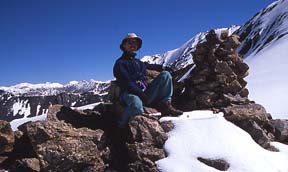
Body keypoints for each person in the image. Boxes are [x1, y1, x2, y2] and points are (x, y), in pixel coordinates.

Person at [113, 33, 183, 127]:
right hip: (130, 93)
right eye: (130, 42)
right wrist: (141, 94)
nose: (133, 45)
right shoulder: (120, 63)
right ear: (124, 45)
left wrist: (163, 67)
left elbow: (149, 66)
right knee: (137, 106)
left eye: (135, 43)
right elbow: (127, 83)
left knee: (166, 75)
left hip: (144, 92)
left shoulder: (137, 62)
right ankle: (120, 125)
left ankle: (166, 104)